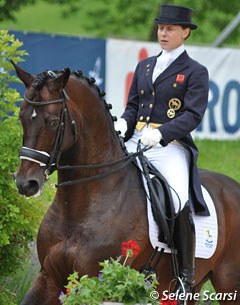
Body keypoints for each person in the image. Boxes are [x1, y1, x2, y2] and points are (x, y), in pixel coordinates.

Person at [114, 3, 210, 302]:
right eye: (160, 28)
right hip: (138, 140)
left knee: (177, 198)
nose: (163, 33)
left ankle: (184, 274)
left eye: (169, 28)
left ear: (185, 32)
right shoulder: (145, 66)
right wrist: (123, 124)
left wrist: (162, 133)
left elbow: (193, 115)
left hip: (170, 147)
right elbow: (132, 107)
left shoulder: (195, 71)